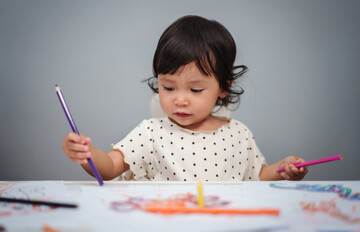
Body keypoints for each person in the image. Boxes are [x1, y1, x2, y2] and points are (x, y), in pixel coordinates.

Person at [62, 15, 308, 181]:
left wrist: (284, 168)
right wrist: (87, 154)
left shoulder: (239, 134)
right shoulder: (150, 133)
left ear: (223, 87)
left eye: (195, 90)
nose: (180, 100)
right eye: (169, 88)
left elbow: (258, 175)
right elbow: (109, 167)